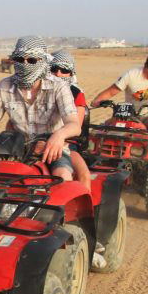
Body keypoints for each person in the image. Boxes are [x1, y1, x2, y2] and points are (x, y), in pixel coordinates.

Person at [0, 36, 81, 181]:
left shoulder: (58, 86)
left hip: (50, 150)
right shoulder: (5, 85)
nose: (25, 64)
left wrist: (59, 136)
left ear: (42, 61)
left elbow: (74, 125)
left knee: (63, 175)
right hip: (13, 147)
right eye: (19, 60)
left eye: (32, 60)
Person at [89, 47, 148, 137]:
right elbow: (111, 92)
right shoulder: (131, 75)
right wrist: (97, 101)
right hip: (128, 114)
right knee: (106, 127)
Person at [49, 50, 93, 190]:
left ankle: (85, 211)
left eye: (64, 70)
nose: (58, 74)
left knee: (84, 175)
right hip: (36, 142)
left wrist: (58, 138)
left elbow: (75, 128)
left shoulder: (76, 93)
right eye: (54, 69)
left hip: (66, 144)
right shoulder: (40, 88)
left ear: (71, 72)